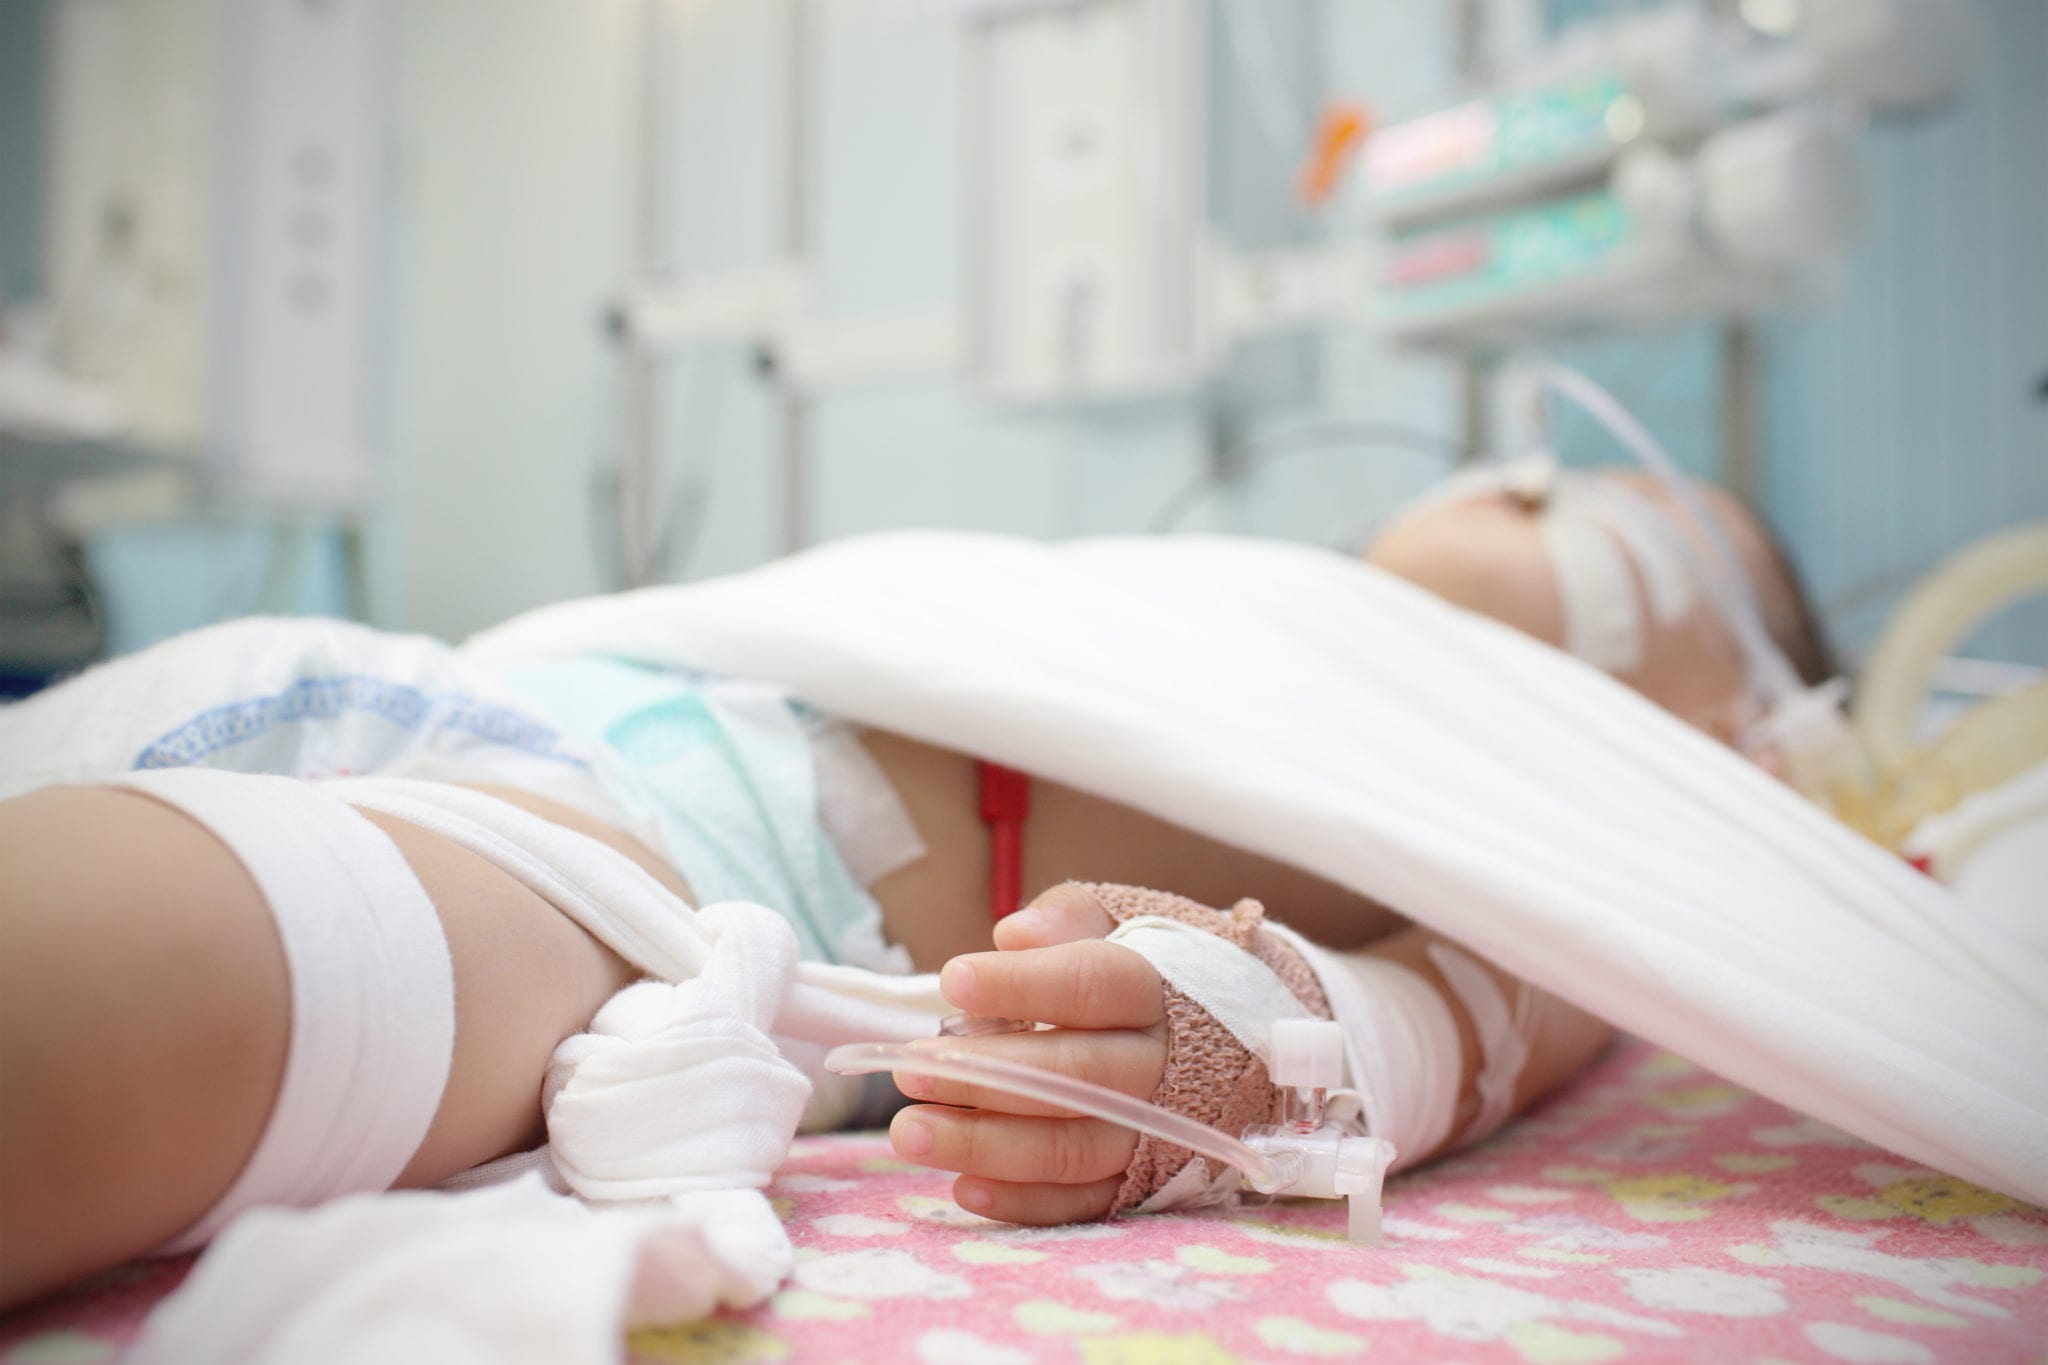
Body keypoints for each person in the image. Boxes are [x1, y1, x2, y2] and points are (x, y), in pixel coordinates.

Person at [0, 464, 1834, 1311]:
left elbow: (1541, 986)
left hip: (623, 895)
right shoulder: (1270, 623)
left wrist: (1277, 1049)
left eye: (1625, 506)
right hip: (414, 696)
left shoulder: (1594, 825)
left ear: (1736, 740)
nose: (1533, 475)